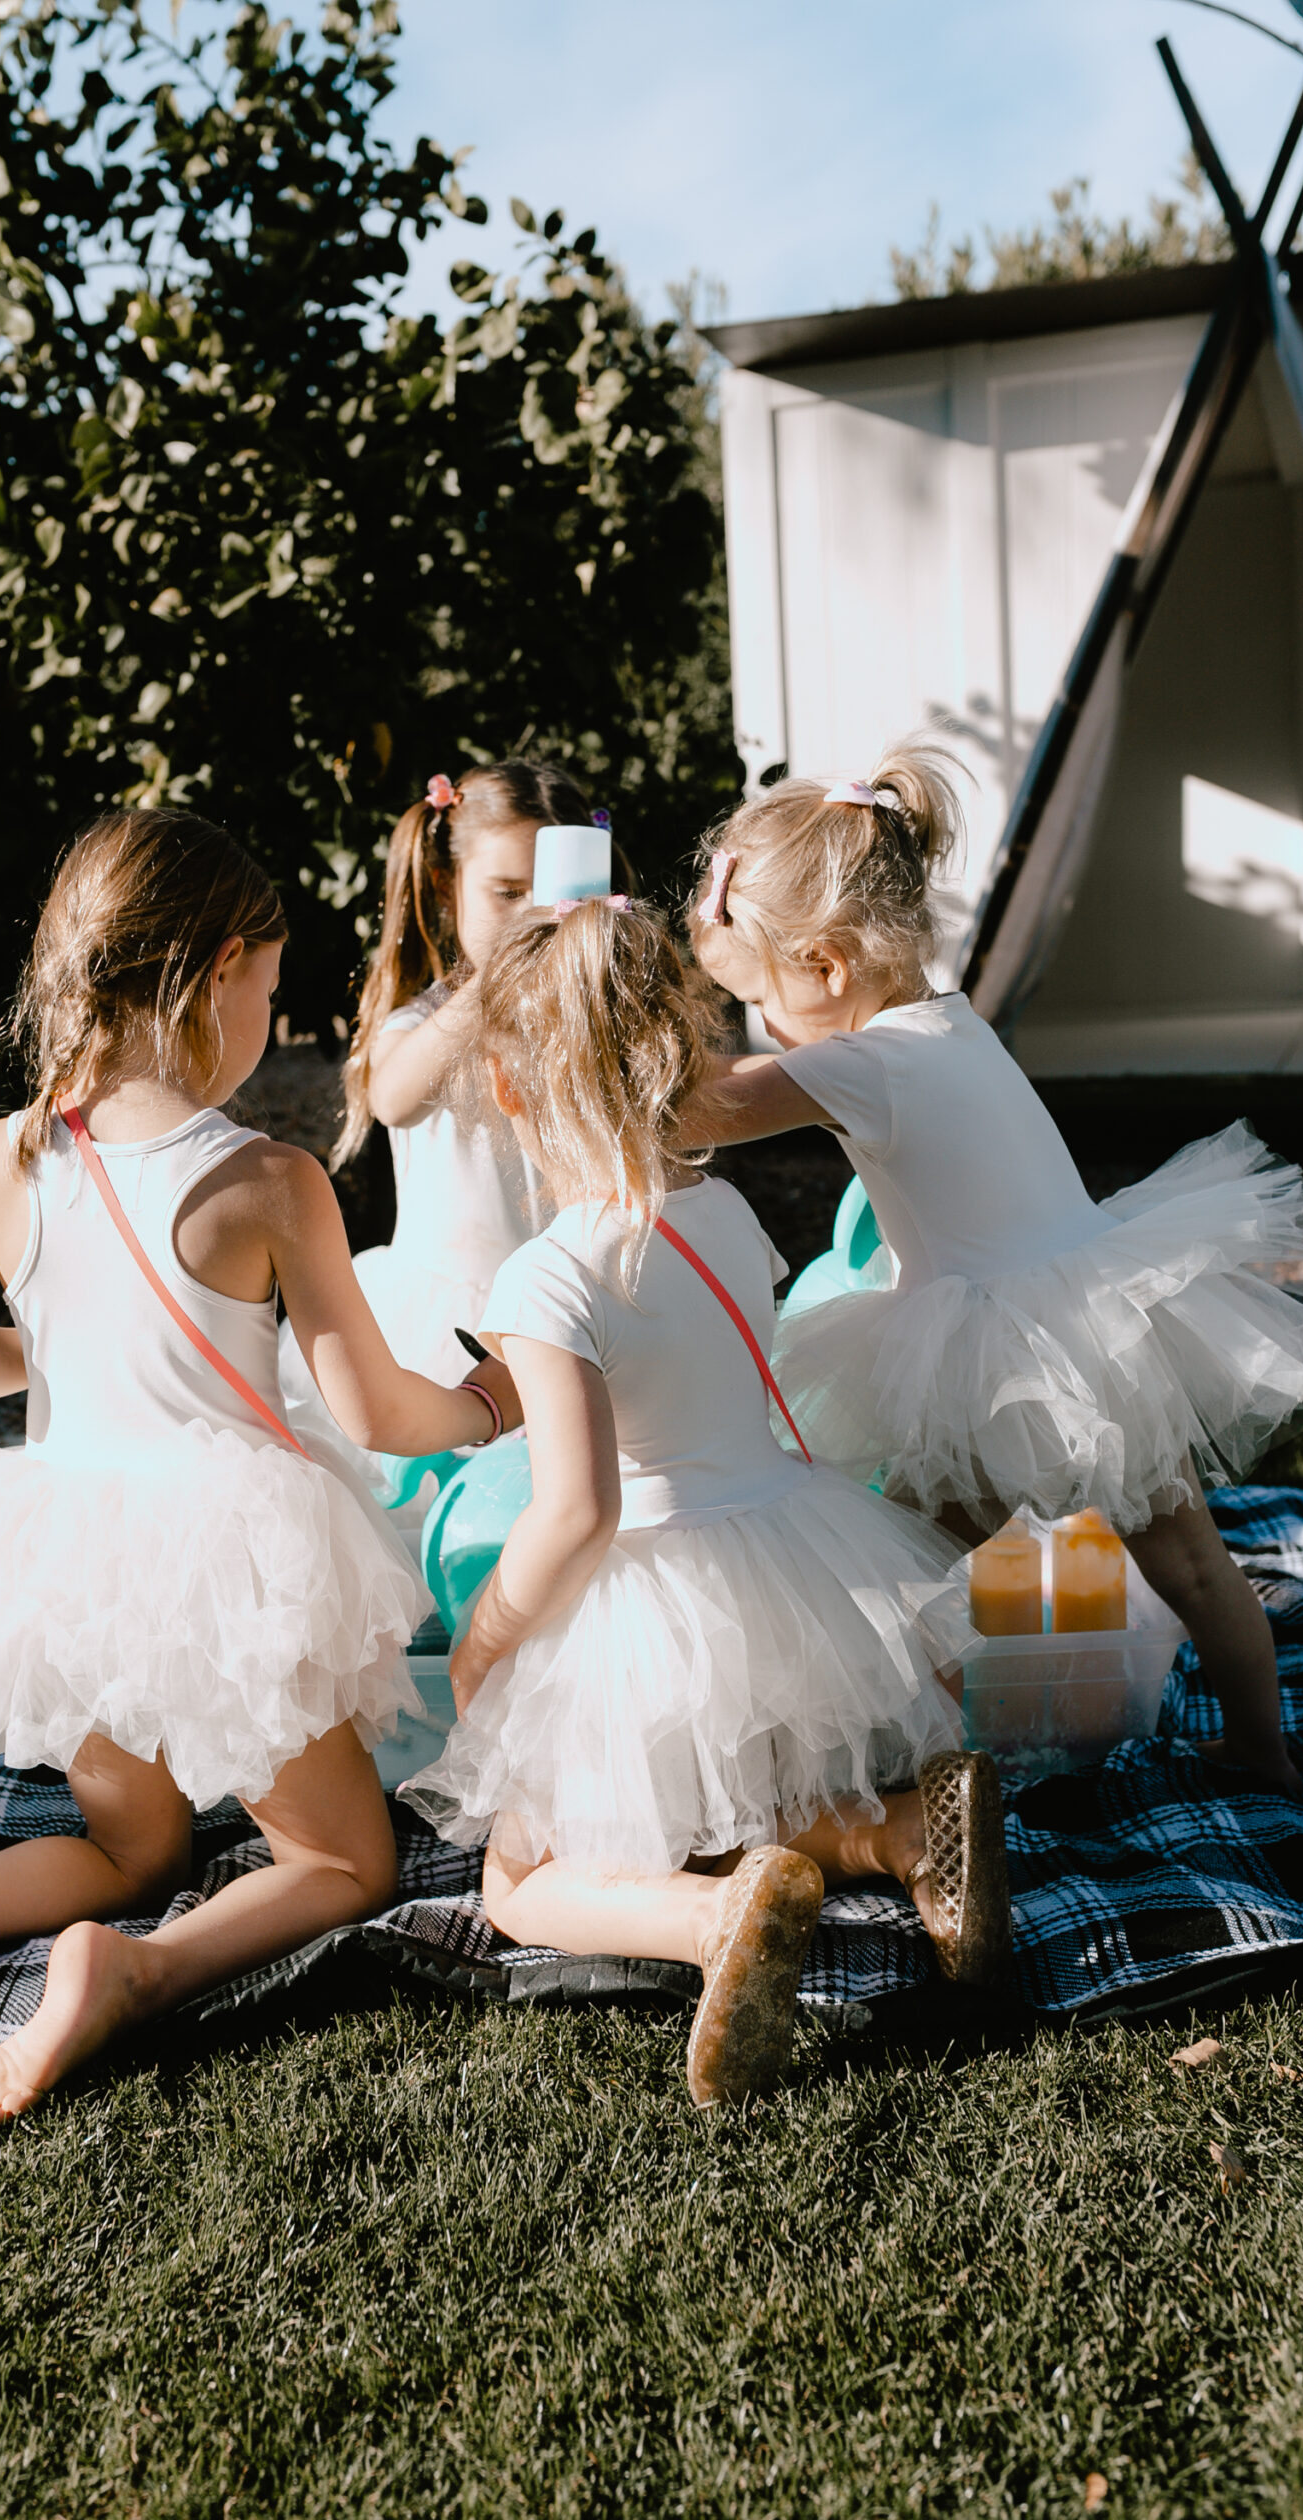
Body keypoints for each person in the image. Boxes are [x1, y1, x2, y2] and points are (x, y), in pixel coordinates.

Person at [0, 810, 519, 2118]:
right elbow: (373, 1412)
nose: (269, 1018)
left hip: (63, 1564)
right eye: (266, 987)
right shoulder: (266, 1177)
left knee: (132, 1842)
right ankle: (133, 1971)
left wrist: (67, 1362)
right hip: (224, 1570)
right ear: (212, 973)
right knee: (346, 1864)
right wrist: (486, 1402)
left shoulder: (2, 1153)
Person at [400, 895, 1006, 2109]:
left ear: (512, 1095)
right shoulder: (724, 1213)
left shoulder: (546, 1276)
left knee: (519, 1877)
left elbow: (578, 1512)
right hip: (791, 1567)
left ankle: (711, 1914)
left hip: (658, 1604)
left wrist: (489, 1639)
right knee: (740, 1794)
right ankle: (896, 1831)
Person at [688, 742, 1303, 1796]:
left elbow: (707, 1108)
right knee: (1189, 1561)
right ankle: (1260, 1747)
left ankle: (929, 1746)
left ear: (828, 966)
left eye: (756, 1001)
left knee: (913, 1541)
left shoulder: (863, 1061)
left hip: (1010, 1355)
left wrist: (612, 1042)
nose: (759, 1030)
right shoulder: (947, 1020)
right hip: (1101, 1326)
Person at [279, 766, 593, 1458]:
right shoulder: (425, 1021)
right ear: (449, 888)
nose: (531, 917)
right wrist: (494, 984)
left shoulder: (584, 1026)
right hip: (448, 1322)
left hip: (566, 1307)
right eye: (507, 894)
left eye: (551, 897)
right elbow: (391, 1097)